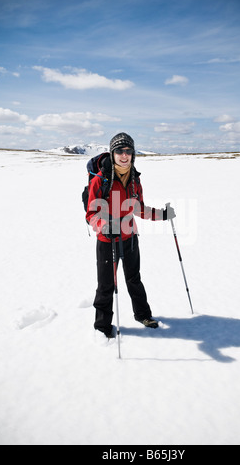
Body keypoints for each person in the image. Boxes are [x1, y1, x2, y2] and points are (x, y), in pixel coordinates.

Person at [86, 132, 175, 339]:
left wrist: (162, 215)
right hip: (107, 240)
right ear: (112, 153)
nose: (124, 155)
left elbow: (139, 208)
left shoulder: (134, 179)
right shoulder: (101, 180)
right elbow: (91, 213)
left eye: (128, 151)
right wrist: (104, 225)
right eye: (119, 151)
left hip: (130, 237)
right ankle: (102, 327)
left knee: (134, 279)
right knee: (106, 285)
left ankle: (143, 315)